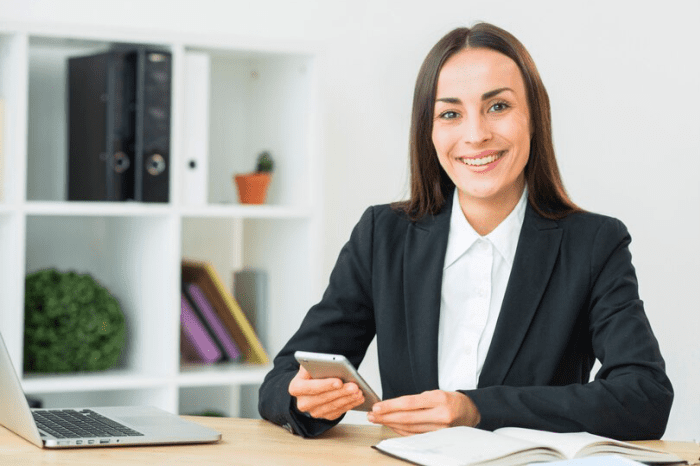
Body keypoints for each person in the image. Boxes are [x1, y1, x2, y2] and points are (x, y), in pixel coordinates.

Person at [258, 22, 673, 440]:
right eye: (450, 114)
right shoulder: (382, 236)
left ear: (534, 119)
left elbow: (644, 396)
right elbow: (282, 381)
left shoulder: (593, 245)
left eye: (498, 107)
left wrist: (476, 409)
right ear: (430, 132)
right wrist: (306, 399)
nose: (475, 135)